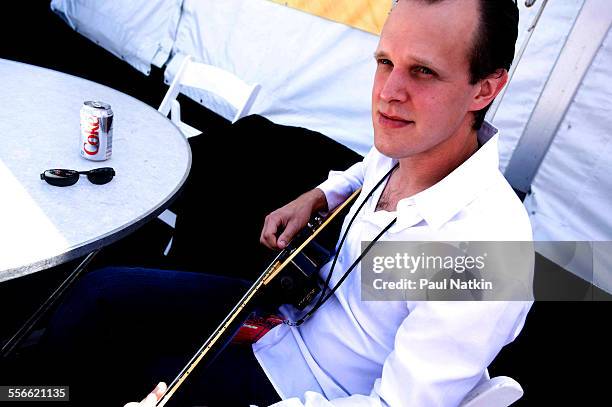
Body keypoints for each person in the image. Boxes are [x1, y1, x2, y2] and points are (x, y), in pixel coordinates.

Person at [31, 0, 533, 406]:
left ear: (485, 89)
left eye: (423, 71)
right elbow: (367, 167)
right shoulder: (412, 141)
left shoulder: (489, 252)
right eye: (385, 62)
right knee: (99, 296)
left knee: (119, 372)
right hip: (286, 316)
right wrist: (321, 193)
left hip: (310, 387)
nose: (389, 93)